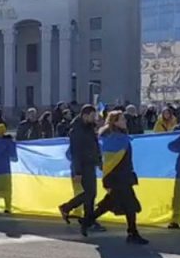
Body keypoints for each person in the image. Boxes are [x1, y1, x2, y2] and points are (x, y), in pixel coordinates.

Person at [79, 111, 148, 244]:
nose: (125, 121)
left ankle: (87, 221)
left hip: (120, 176)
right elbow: (110, 160)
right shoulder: (115, 138)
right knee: (130, 206)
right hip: (118, 177)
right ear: (115, 122)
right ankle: (132, 233)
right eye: (122, 119)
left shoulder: (116, 137)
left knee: (109, 204)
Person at [59, 105, 105, 232]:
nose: (93, 118)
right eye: (92, 116)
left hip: (90, 164)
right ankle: (69, 208)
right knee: (90, 193)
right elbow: (76, 152)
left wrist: (99, 161)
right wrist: (77, 171)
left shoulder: (89, 128)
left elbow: (95, 146)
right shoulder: (77, 130)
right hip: (83, 166)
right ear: (85, 115)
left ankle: (87, 218)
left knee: (91, 194)